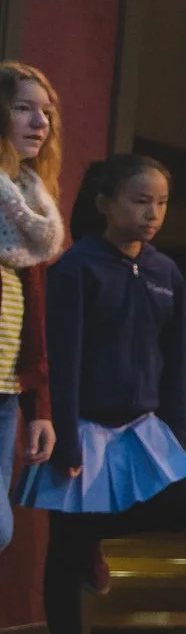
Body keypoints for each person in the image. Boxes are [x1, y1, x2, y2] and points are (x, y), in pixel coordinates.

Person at [26, 154, 186, 634]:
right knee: (65, 544)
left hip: (142, 425)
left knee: (184, 505)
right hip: (80, 423)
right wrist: (68, 437)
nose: (152, 213)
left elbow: (175, 364)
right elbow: (65, 357)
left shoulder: (165, 272)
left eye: (161, 203)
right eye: (139, 201)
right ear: (105, 203)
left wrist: (177, 436)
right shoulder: (77, 268)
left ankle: (92, 540)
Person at [0, 62, 63, 563]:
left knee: (1, 529)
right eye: (23, 108)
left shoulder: (31, 208)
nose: (40, 122)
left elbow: (36, 320)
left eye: (46, 112)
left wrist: (39, 407)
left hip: (5, 392)